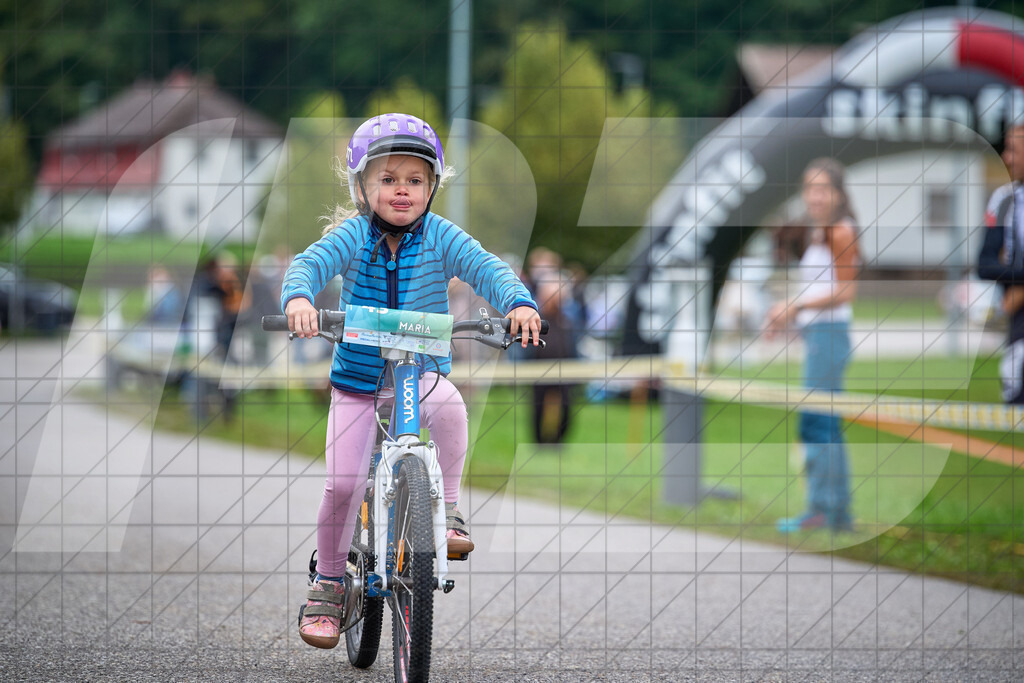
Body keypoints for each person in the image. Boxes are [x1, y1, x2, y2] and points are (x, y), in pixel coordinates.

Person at [281, 113, 542, 649]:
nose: (402, 191)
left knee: (448, 407)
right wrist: (301, 299)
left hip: (418, 375)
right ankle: (329, 586)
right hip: (359, 382)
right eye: (388, 179)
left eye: (415, 180)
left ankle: (446, 509)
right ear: (362, 187)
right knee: (344, 485)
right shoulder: (352, 235)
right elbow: (308, 264)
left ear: (432, 186)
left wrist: (517, 303)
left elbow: (488, 267)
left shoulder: (442, 236)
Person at [764, 158, 860, 534]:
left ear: (838, 193)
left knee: (818, 424)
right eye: (809, 188)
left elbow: (846, 291)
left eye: (822, 188)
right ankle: (835, 513)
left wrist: (795, 306)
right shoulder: (820, 231)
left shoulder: (840, 232)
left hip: (831, 337)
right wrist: (786, 318)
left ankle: (826, 510)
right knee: (823, 423)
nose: (814, 196)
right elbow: (819, 290)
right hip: (820, 335)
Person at [977, 123, 1024, 403]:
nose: (1006, 158)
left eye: (1013, 150)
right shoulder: (1004, 199)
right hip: (1017, 323)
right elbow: (985, 264)